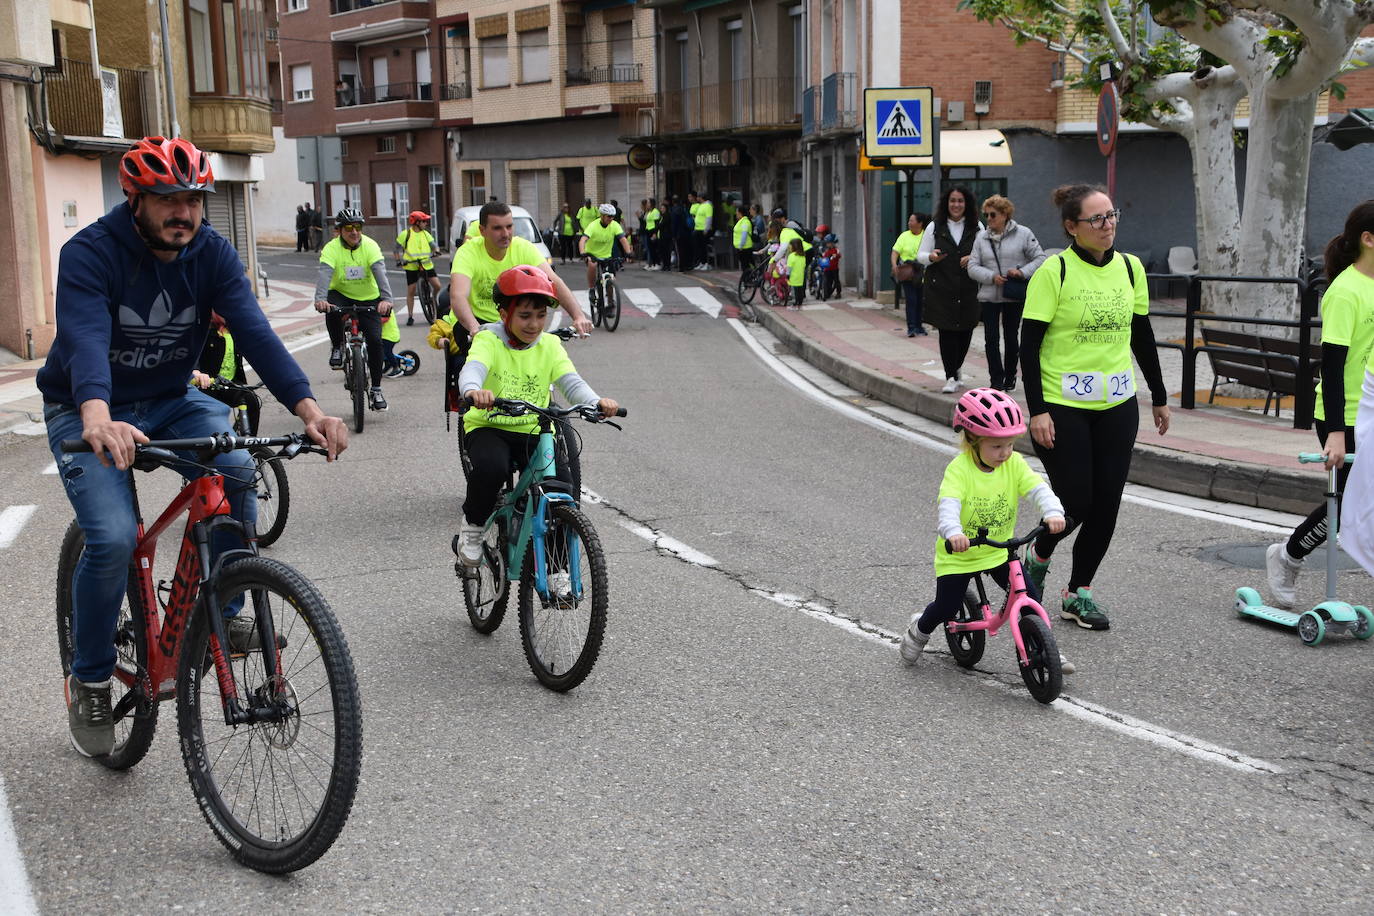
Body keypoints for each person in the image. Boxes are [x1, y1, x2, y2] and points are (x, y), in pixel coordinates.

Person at [38, 136, 347, 757]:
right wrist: (96, 414)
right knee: (114, 537)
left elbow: (256, 333)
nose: (186, 212)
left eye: (195, 200)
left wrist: (309, 408)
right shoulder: (91, 253)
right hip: (85, 404)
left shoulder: (211, 253)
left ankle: (224, 603)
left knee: (236, 462)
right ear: (135, 199)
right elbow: (86, 336)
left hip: (169, 397)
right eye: (169, 200)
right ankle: (93, 675)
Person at [1019, 183, 1170, 631]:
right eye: (1097, 219)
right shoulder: (1055, 272)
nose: (1109, 226)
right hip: (1062, 405)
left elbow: (1141, 333)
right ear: (1072, 227)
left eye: (1112, 216)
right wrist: (1037, 409)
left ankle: (1077, 593)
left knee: (1107, 504)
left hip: (1118, 403)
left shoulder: (1129, 268)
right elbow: (1028, 345)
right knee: (1076, 503)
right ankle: (1038, 556)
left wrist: (1158, 395)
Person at [455, 266, 620, 565]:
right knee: (491, 468)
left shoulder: (550, 344)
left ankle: (557, 569)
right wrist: (473, 391)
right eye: (525, 315)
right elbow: (473, 368)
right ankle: (474, 527)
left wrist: (596, 402)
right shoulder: (488, 340)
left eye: (541, 315)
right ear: (504, 314)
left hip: (535, 429)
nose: (534, 324)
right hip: (490, 426)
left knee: (560, 490)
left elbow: (571, 382)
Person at [899, 388, 1067, 667]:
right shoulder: (959, 470)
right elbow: (949, 504)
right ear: (972, 441)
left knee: (1029, 597)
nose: (1005, 453)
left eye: (1010, 445)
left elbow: (1037, 487)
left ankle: (1045, 651)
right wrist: (953, 532)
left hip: (999, 550)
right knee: (946, 607)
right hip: (961, 553)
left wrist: (1052, 512)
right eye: (996, 446)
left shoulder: (1013, 464)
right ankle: (918, 632)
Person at [1266, 201, 1374, 608]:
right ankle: (1288, 557)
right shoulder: (1345, 292)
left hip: (1373, 410)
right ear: (1368, 239)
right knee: (1344, 506)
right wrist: (1333, 431)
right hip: (1343, 415)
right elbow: (1331, 367)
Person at [429, 201, 593, 394]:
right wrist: (475, 329)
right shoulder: (469, 252)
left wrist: (578, 316)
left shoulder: (523, 248)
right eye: (497, 228)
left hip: (515, 320)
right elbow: (457, 296)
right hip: (478, 323)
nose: (506, 233)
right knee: (470, 372)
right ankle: (471, 409)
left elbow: (554, 281)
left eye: (509, 226)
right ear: (482, 230)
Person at [314, 207, 394, 411]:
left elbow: (380, 273)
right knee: (332, 309)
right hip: (340, 293)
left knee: (376, 341)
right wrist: (320, 299)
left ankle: (376, 390)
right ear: (339, 230)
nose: (354, 231)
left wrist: (386, 299)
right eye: (348, 227)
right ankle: (337, 346)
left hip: (369, 297)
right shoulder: (331, 248)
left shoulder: (371, 246)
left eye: (358, 227)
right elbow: (325, 273)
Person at [967, 195, 1046, 391]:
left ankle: (1010, 375)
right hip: (989, 295)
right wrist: (991, 276)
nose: (989, 219)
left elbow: (1040, 258)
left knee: (1012, 336)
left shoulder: (1024, 234)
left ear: (1005, 214)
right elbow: (972, 266)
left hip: (1013, 294)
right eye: (986, 215)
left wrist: (1021, 272)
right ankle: (996, 378)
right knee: (990, 339)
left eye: (993, 215)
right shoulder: (981, 237)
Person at [918, 187, 983, 393]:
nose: (956, 205)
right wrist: (931, 257)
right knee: (946, 332)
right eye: (952, 201)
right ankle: (951, 376)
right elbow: (921, 255)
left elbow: (985, 254)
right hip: (941, 288)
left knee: (966, 330)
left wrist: (972, 258)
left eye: (960, 201)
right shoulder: (934, 227)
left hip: (968, 287)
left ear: (967, 204)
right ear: (947, 203)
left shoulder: (977, 227)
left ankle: (957, 367)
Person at [395, 210, 441, 326]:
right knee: (411, 290)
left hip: (426, 264)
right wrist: (398, 261)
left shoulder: (426, 234)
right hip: (411, 265)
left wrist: (436, 252)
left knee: (437, 285)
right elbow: (396, 249)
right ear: (416, 223)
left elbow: (434, 246)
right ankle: (410, 316)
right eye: (424, 221)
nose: (426, 223)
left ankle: (433, 298)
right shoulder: (406, 234)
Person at [581, 203, 635, 297]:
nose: (611, 219)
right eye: (609, 216)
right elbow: (582, 240)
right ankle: (591, 289)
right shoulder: (593, 226)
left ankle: (610, 301)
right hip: (592, 254)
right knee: (592, 265)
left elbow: (623, 239)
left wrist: (628, 252)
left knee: (611, 277)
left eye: (612, 217)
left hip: (607, 255)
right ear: (602, 216)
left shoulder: (614, 225)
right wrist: (582, 252)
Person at [890, 213, 926, 336]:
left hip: (922, 273)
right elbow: (895, 252)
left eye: (912, 220)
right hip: (908, 273)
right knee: (911, 300)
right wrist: (894, 265)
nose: (909, 223)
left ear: (920, 223)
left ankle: (919, 326)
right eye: (909, 220)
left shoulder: (926, 236)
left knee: (921, 301)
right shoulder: (904, 236)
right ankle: (911, 327)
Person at [733, 205, 755, 278]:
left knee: (746, 265)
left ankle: (749, 279)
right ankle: (747, 280)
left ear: (740, 213)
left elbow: (744, 235)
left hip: (745, 247)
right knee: (744, 266)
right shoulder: (740, 221)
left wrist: (741, 246)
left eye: (737, 212)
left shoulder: (745, 222)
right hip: (741, 248)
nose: (736, 214)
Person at [786, 237, 806, 310]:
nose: (789, 248)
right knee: (800, 292)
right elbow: (804, 266)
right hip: (800, 277)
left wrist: (787, 276)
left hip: (793, 277)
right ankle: (800, 305)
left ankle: (794, 305)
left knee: (794, 292)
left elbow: (789, 267)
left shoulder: (791, 256)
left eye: (790, 246)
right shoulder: (803, 256)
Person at [819, 233, 841, 299]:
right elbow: (824, 256)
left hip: (834, 268)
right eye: (827, 243)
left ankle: (838, 292)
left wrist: (835, 256)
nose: (827, 244)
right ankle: (827, 292)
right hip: (827, 268)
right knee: (828, 281)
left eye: (829, 243)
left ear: (832, 243)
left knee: (836, 281)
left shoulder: (836, 250)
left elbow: (839, 255)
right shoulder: (826, 250)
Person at [643, 197, 661, 269]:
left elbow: (657, 223)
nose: (647, 204)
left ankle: (657, 263)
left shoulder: (656, 211)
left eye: (648, 203)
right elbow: (645, 220)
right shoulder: (649, 212)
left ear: (651, 204)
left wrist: (655, 233)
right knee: (650, 249)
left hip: (653, 231)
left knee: (654, 248)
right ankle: (653, 264)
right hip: (648, 230)